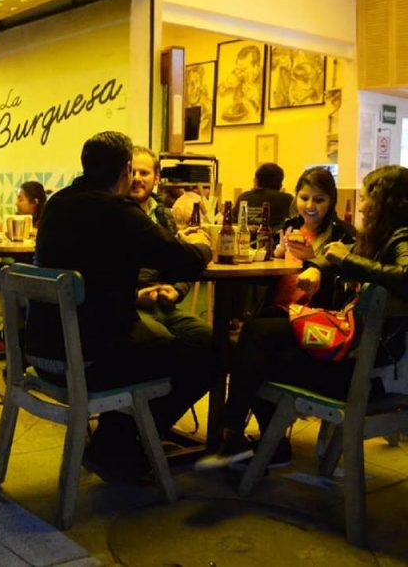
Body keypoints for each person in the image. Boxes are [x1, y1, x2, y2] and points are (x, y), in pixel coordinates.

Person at [26, 131, 214, 484]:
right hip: (87, 361)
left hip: (41, 351)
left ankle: (117, 443)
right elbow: (183, 261)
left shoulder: (58, 203)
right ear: (126, 169)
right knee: (209, 352)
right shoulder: (117, 210)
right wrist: (204, 243)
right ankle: (120, 444)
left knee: (176, 340)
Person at [197, 165, 408, 470]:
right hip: (356, 359)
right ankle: (242, 439)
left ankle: (235, 438)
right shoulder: (381, 238)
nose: (361, 205)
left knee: (252, 349)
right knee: (255, 336)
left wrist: (345, 261)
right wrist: (319, 266)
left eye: (367, 198)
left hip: (363, 376)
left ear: (386, 203)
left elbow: (395, 272)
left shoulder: (401, 238)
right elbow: (339, 255)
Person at [129, 147, 212, 352]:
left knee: (210, 337)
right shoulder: (118, 213)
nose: (137, 178)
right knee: (164, 343)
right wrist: (136, 295)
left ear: (156, 178)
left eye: (144, 173)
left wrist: (177, 290)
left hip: (164, 306)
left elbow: (181, 262)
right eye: (132, 172)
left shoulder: (165, 215)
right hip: (130, 307)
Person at [271, 166, 356, 309]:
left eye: (319, 200)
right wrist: (276, 253)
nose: (310, 205)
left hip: (315, 311)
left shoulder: (342, 234)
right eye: (304, 198)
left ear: (331, 201)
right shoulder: (287, 226)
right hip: (279, 306)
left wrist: (311, 259)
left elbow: (343, 284)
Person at [235, 162, 293, 231]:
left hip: (245, 236)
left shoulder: (243, 197)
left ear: (257, 180)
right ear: (280, 183)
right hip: (275, 237)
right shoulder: (287, 199)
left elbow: (233, 223)